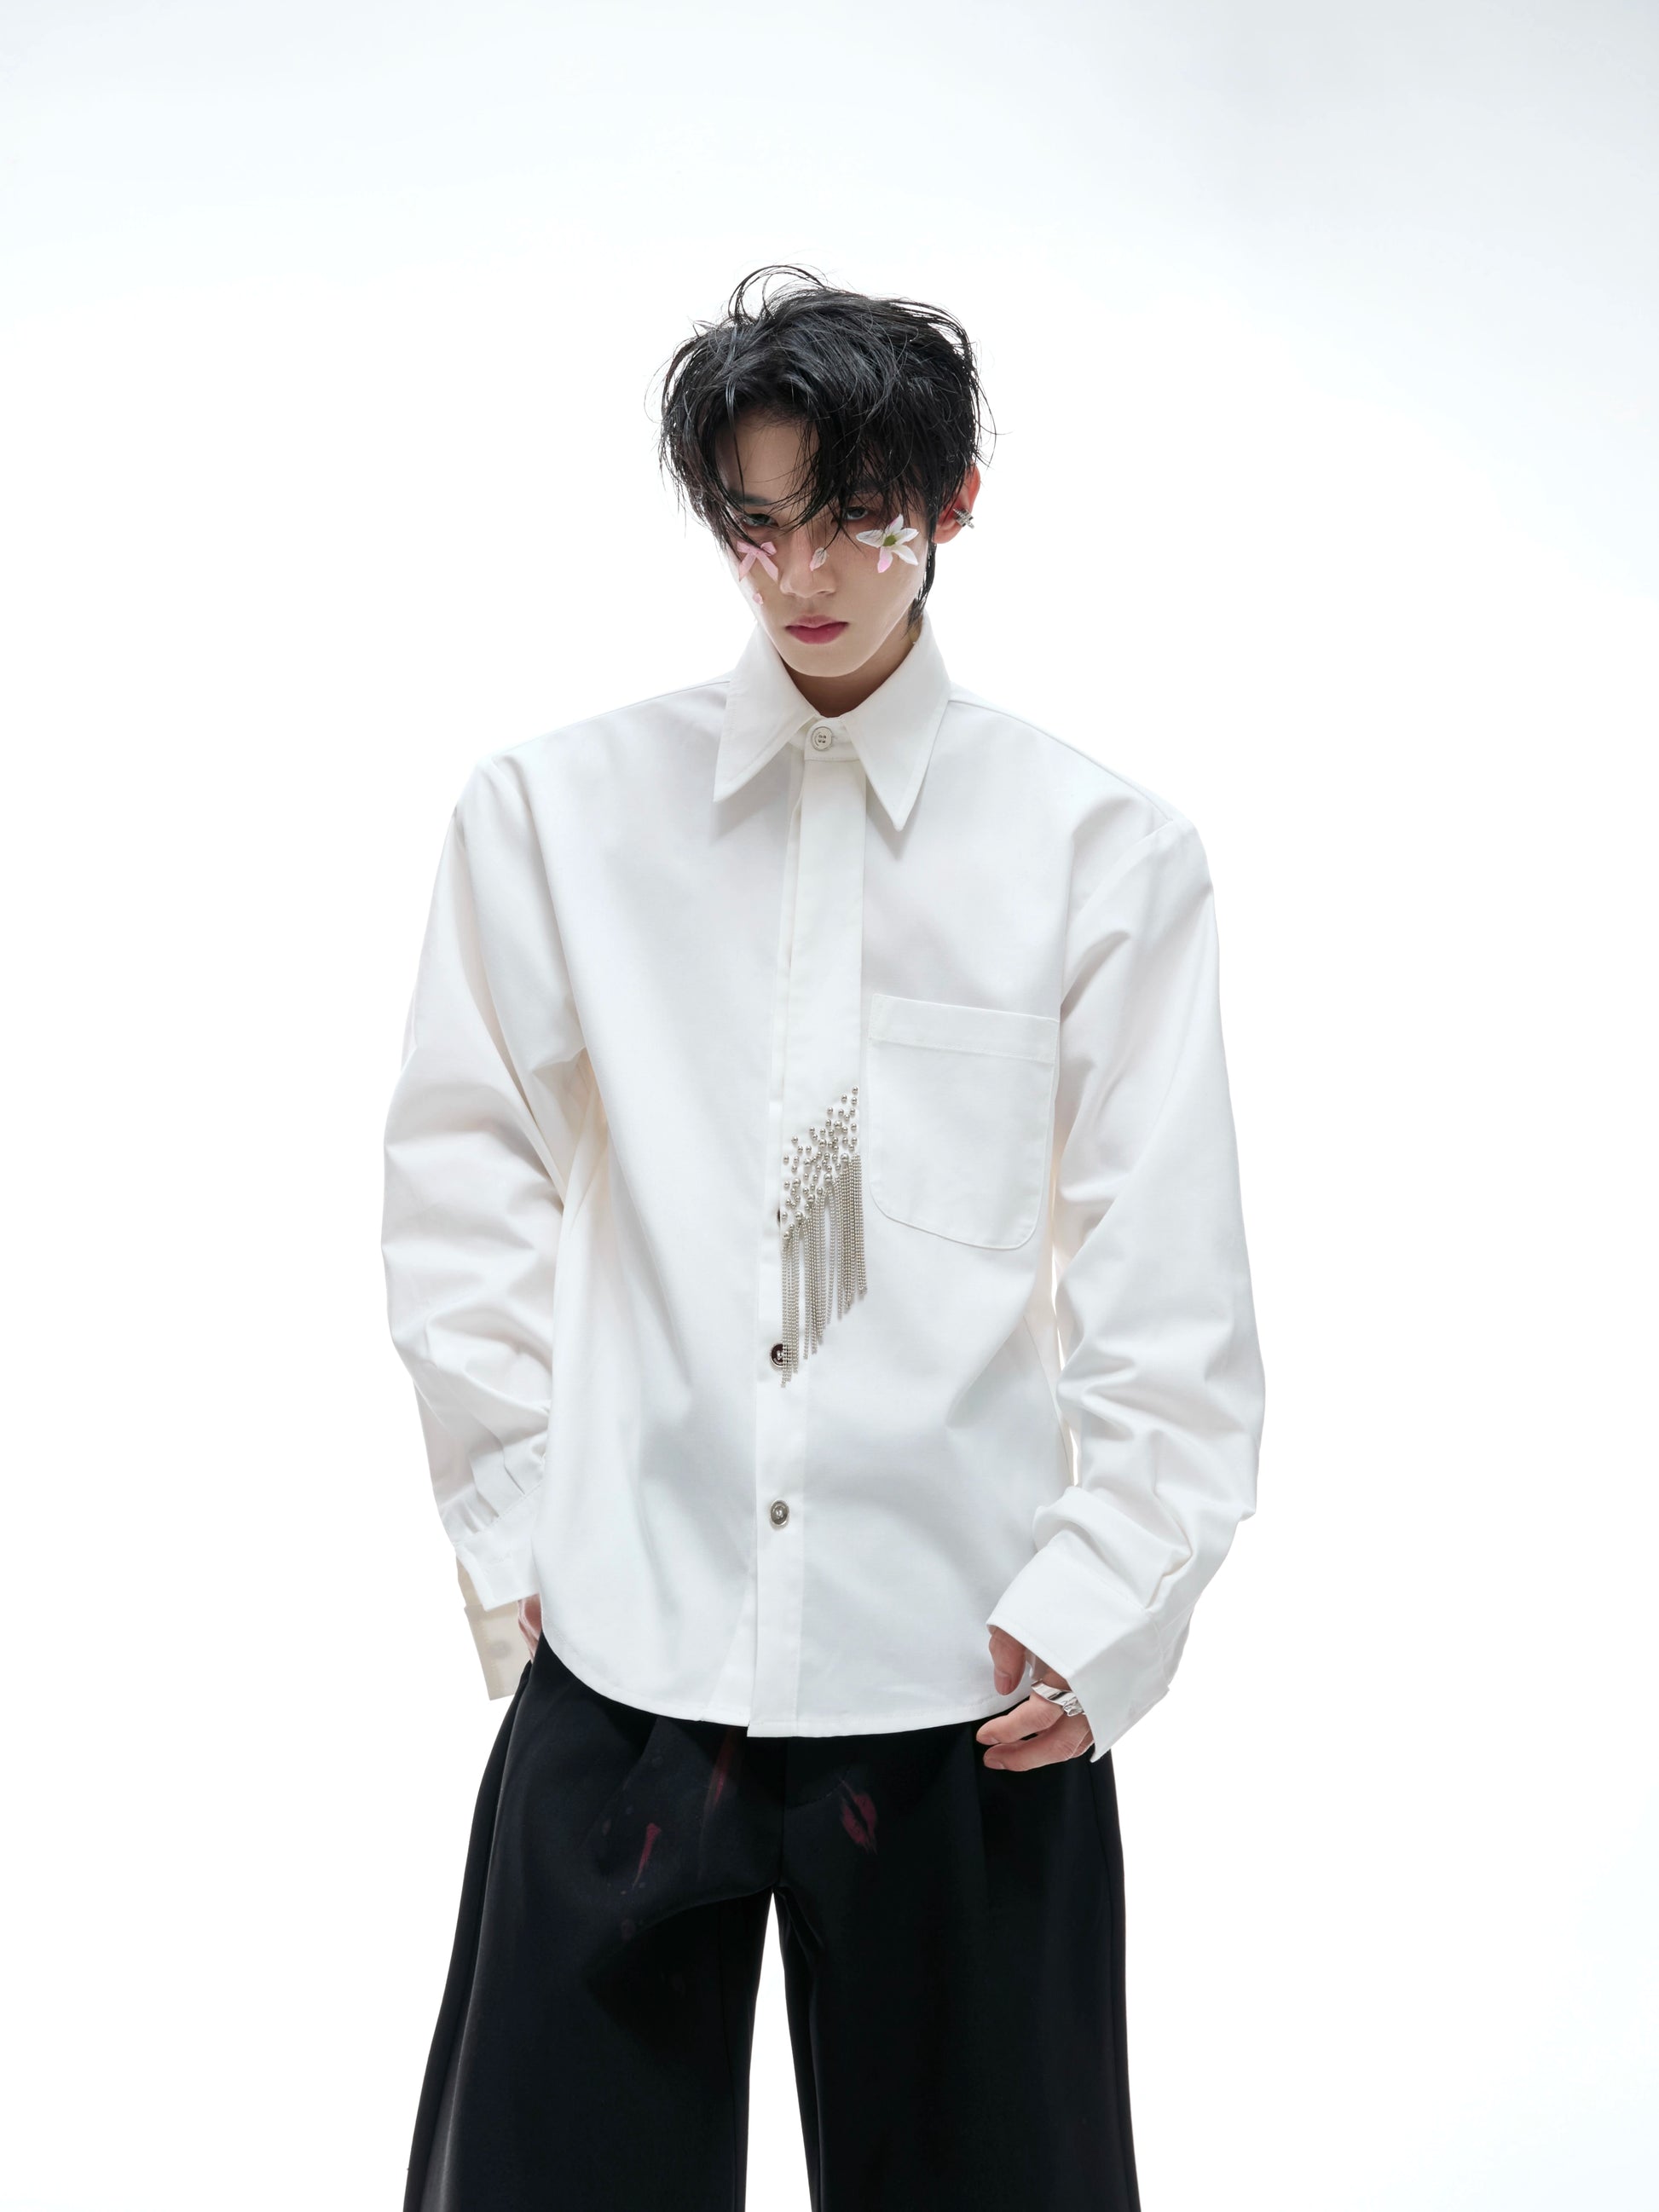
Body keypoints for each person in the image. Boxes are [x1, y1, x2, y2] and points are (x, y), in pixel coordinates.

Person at [380, 263, 1264, 2212]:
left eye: (855, 516)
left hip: (964, 1680)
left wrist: (1110, 1592)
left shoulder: (1100, 856)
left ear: (952, 505)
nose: (802, 572)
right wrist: (519, 1529)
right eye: (757, 521)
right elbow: (460, 1184)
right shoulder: (551, 819)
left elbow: (1166, 1273)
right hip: (627, 1662)